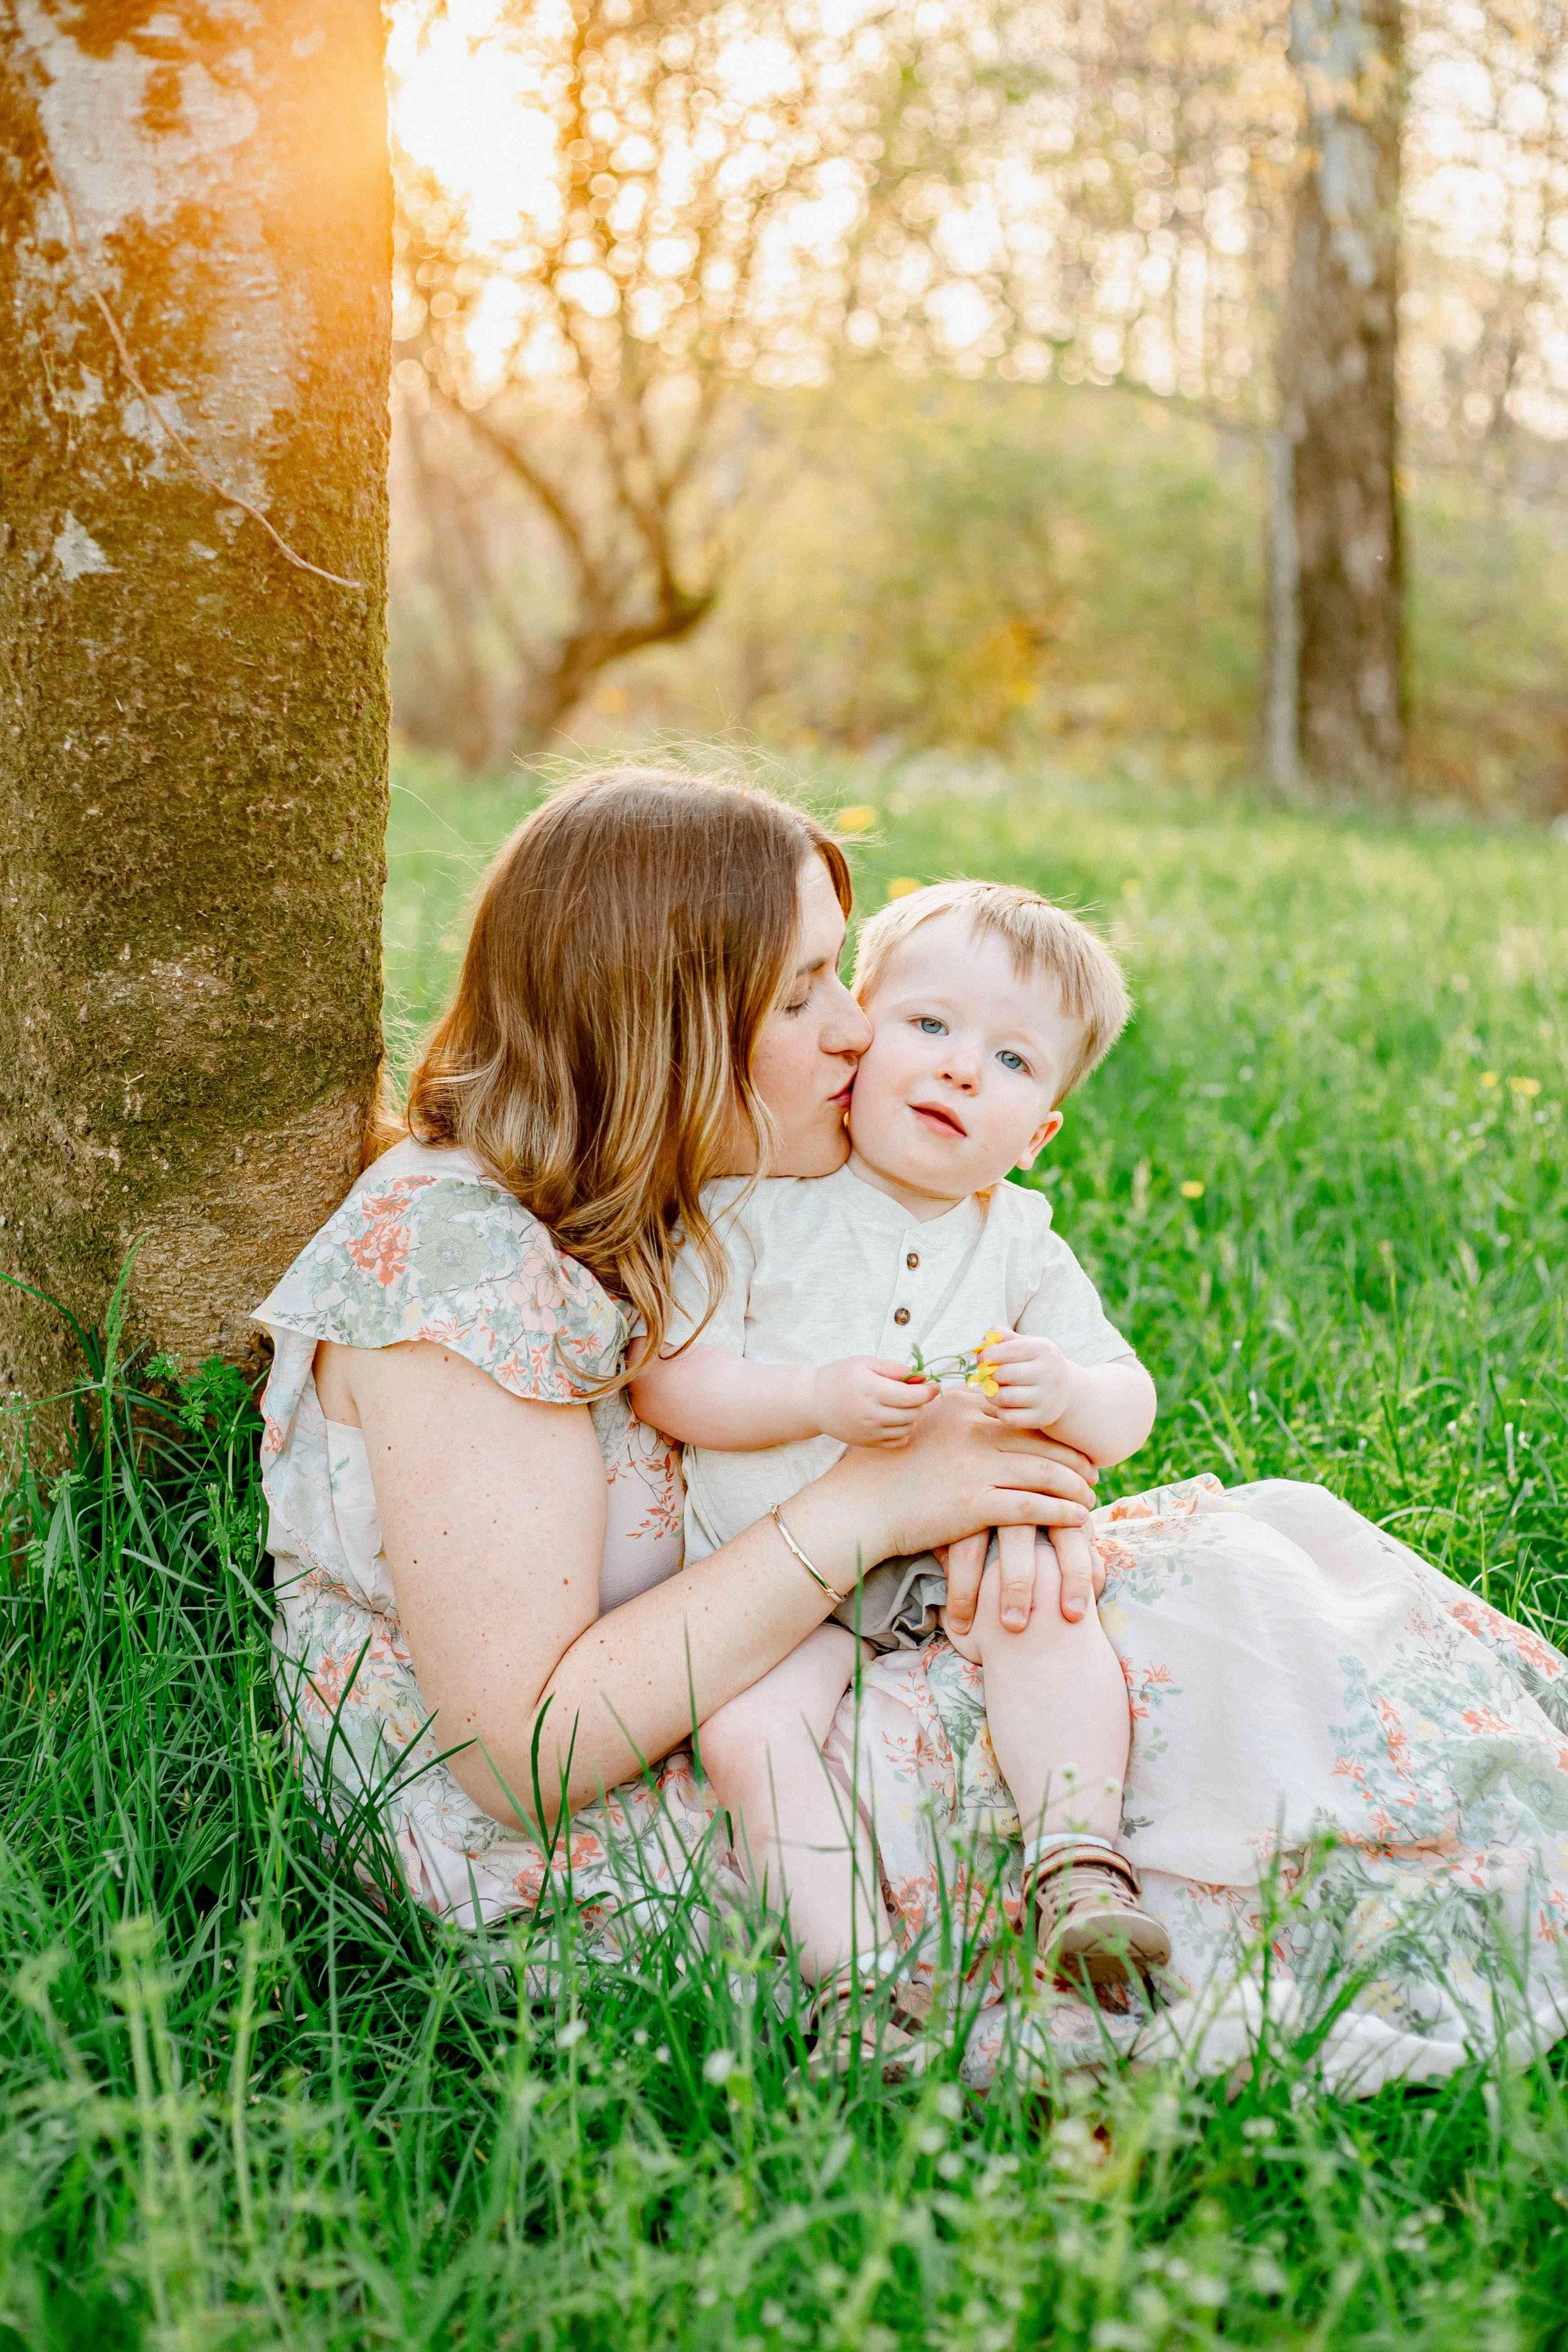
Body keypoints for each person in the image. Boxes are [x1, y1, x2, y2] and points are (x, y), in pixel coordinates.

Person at [257, 762, 1568, 2095]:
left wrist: (987, 1514)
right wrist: (880, 1506)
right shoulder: (457, 1265)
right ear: (662, 1021)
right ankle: (899, 1980)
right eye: (804, 991)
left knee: (1245, 1575)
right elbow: (523, 1757)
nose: (854, 1034)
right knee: (1234, 1678)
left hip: (801, 1654)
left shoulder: (657, 1180)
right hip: (616, 1827)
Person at [630, 881, 1169, 2021]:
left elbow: (1132, 1404)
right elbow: (673, 1381)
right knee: (746, 1729)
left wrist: (1068, 1389)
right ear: (857, 1036)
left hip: (953, 1562)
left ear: (1041, 1134)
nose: (963, 1070)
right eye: (929, 1027)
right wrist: (812, 1395)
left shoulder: (1019, 1240)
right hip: (783, 1577)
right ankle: (859, 1984)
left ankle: (1078, 1859)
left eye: (1015, 1062)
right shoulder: (757, 1205)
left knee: (1051, 1620)